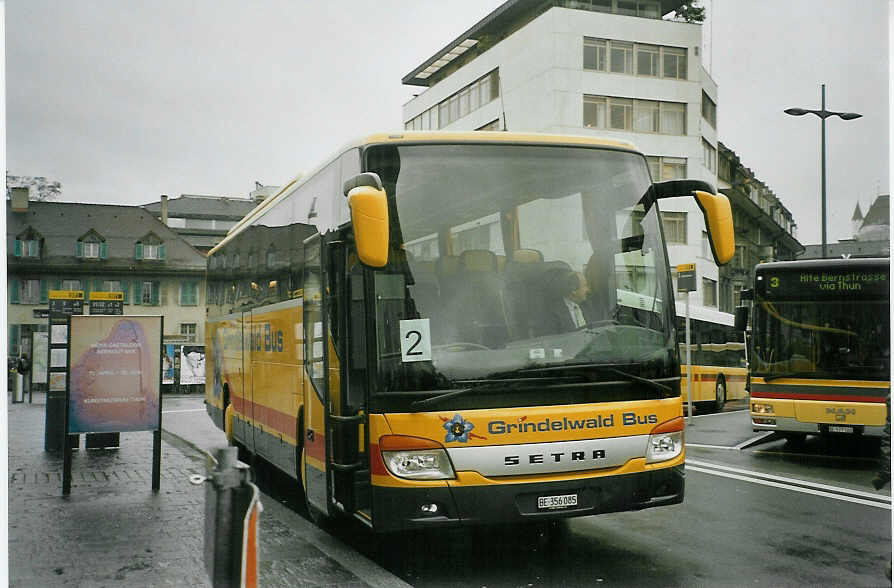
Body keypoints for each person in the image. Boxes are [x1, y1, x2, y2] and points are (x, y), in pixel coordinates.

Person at [536, 270, 591, 335]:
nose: (588, 290)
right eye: (585, 286)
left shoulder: (588, 306)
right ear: (573, 290)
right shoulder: (553, 313)